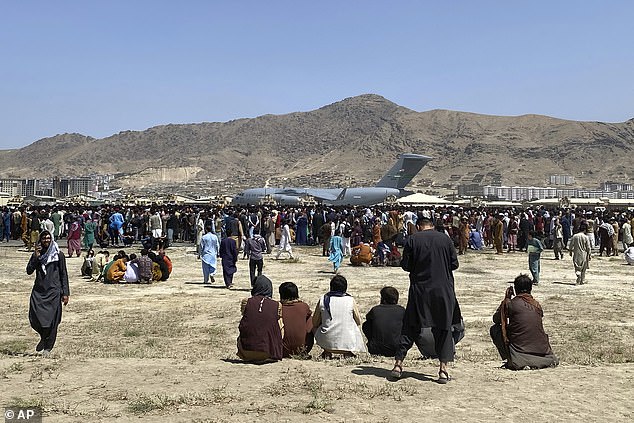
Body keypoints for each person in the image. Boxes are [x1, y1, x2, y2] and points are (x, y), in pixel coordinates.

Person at [392, 216, 462, 384]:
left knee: (410, 326)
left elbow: (406, 266)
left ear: (418, 226)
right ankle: (443, 370)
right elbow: (454, 264)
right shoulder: (445, 239)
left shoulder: (412, 240)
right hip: (443, 290)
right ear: (432, 225)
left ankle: (398, 365)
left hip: (420, 290)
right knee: (443, 328)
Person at [490, 274, 559, 370]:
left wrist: (505, 300)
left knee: (495, 329)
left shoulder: (511, 304)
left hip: (520, 349)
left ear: (515, 289)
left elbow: (496, 319)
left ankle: (512, 359)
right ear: (530, 289)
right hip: (542, 350)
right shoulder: (536, 305)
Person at [26, 230, 70, 356]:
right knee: (34, 317)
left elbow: (63, 274)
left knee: (53, 321)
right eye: (44, 238)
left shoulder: (58, 255)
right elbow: (29, 270)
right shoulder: (37, 254)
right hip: (39, 291)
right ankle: (43, 336)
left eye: (48, 238)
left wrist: (65, 293)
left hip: (54, 291)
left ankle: (48, 347)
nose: (46, 240)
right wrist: (36, 256)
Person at [312, 275, 366, 359]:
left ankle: (326, 352)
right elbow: (358, 321)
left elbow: (314, 322)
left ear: (331, 287)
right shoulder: (350, 300)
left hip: (326, 343)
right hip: (347, 344)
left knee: (315, 326)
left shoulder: (323, 299)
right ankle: (348, 353)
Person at [237, 275, 283, 362]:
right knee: (279, 322)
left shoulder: (246, 302)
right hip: (268, 353)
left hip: (246, 351)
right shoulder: (277, 305)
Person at [362, 286, 405, 357]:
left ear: (383, 299)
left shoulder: (375, 310)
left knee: (366, 324)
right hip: (397, 349)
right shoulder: (402, 310)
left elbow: (366, 325)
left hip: (375, 349)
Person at [279, 282, 314, 358]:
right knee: (310, 319)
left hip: (281, 350)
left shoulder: (277, 308)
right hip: (302, 349)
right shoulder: (304, 306)